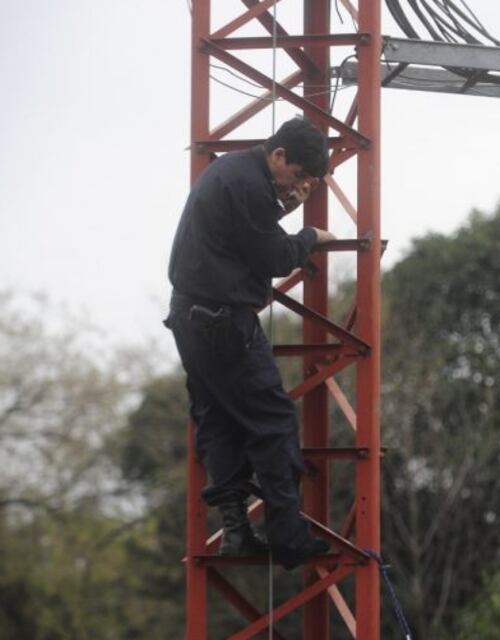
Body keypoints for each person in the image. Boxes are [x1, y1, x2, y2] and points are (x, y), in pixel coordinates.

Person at [165, 116, 335, 569]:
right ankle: (289, 537)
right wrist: (309, 238)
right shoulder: (247, 183)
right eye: (297, 176)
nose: (297, 184)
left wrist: (284, 207)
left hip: (190, 320)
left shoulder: (235, 173)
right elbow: (276, 256)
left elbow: (243, 234)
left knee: (218, 420)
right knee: (272, 423)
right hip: (224, 322)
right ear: (278, 155)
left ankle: (236, 531)